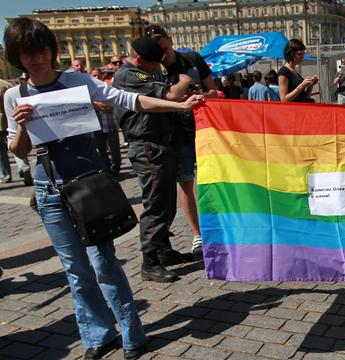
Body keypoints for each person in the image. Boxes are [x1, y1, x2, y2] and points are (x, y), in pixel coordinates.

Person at [3, 18, 203, 359]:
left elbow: (129, 99)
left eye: (41, 51)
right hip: (49, 189)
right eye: (26, 54)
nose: (35, 59)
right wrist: (21, 127)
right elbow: (18, 149)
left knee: (104, 263)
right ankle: (98, 336)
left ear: (51, 50)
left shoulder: (77, 81)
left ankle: (131, 333)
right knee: (75, 270)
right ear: (16, 57)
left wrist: (179, 105)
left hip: (89, 185)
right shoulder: (14, 95)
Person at [112, 36, 198, 281]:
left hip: (160, 143)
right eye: (153, 65)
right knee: (156, 204)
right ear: (140, 59)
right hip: (147, 145)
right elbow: (170, 95)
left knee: (167, 202)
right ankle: (149, 262)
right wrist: (184, 80)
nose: (157, 69)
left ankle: (162, 251)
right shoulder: (129, 75)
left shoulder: (144, 72)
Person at [145, 24, 218, 257]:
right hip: (175, 134)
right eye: (154, 44)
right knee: (186, 184)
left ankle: (220, 227)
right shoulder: (153, 69)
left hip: (205, 128)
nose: (160, 48)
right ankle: (198, 235)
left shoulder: (192, 59)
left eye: (161, 41)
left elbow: (214, 92)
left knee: (215, 179)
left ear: (169, 39)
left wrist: (198, 98)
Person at [90, 68, 121, 177]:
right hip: (96, 127)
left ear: (102, 76)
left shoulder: (108, 88)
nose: (96, 77)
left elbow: (108, 106)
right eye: (94, 75)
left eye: (98, 75)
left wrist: (93, 104)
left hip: (110, 125)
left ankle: (116, 169)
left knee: (115, 149)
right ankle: (107, 170)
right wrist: (98, 104)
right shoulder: (87, 91)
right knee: (101, 150)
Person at [0, 78, 14, 182]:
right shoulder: (6, 84)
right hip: (10, 118)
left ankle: (5, 174)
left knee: (1, 151)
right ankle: (23, 166)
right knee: (15, 140)